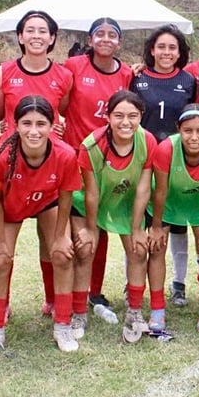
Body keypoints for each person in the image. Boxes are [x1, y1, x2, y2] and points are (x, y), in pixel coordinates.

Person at [0, 95, 84, 358]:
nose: (34, 131)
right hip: (11, 206)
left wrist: (61, 236)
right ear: (15, 125)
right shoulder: (1, 157)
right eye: (26, 123)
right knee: (0, 259)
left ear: (52, 125)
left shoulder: (65, 154)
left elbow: (66, 195)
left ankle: (62, 324)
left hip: (47, 202)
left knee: (61, 255)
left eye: (41, 124)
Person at [0, 10, 73, 317]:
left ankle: (53, 301)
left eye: (43, 31)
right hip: (12, 168)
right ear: (21, 36)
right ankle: (2, 304)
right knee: (1, 248)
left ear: (52, 38)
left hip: (48, 166)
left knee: (49, 241)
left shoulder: (64, 75)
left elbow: (61, 113)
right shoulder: (4, 72)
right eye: (30, 30)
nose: (37, 35)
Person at [70, 90, 157, 341]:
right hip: (90, 202)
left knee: (139, 250)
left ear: (141, 116)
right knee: (85, 251)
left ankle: (135, 312)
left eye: (133, 115)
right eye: (118, 115)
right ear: (107, 117)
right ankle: (78, 314)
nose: (125, 122)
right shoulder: (91, 145)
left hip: (127, 200)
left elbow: (143, 187)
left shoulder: (147, 140)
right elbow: (92, 193)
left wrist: (139, 229)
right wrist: (89, 228)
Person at [63, 17, 135, 315]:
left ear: (119, 42)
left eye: (112, 35)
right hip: (78, 159)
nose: (106, 39)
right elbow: (61, 105)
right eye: (99, 34)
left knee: (103, 224)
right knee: (78, 230)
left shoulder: (128, 73)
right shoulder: (74, 66)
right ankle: (64, 295)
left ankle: (94, 292)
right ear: (90, 40)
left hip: (111, 160)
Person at [147, 104, 199, 335]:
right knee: (156, 248)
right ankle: (157, 309)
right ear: (178, 129)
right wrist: (156, 227)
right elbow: (160, 191)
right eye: (188, 130)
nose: (194, 137)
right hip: (167, 203)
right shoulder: (166, 149)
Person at [131, 24, 197, 307]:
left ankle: (179, 284)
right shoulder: (136, 78)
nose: (167, 52)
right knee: (140, 224)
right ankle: (133, 283)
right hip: (144, 157)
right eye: (161, 47)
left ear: (180, 52)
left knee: (177, 222)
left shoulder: (190, 80)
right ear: (151, 50)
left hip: (177, 159)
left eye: (173, 47)